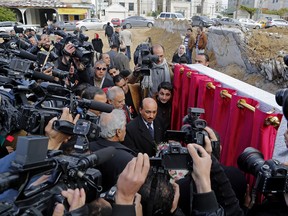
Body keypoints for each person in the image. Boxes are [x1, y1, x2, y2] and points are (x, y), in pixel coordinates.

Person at [89, 109, 135, 191]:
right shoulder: (127, 158)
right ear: (118, 132)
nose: (126, 129)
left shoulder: (88, 148)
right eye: (124, 126)